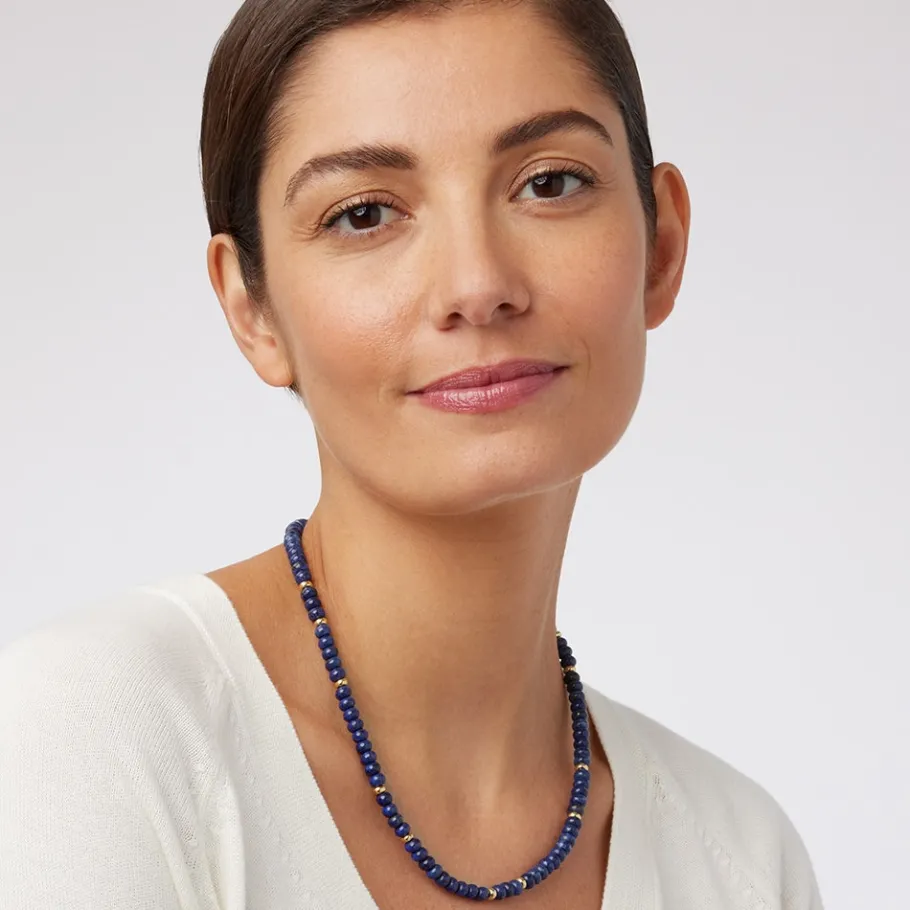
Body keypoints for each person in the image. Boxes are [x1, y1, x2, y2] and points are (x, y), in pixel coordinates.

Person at [0, 0, 825, 907]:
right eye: (363, 215)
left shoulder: (740, 860)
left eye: (549, 183)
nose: (478, 285)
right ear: (252, 311)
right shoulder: (93, 743)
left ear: (661, 245)